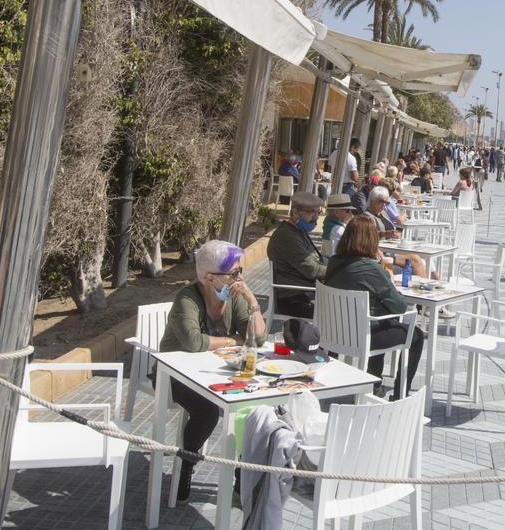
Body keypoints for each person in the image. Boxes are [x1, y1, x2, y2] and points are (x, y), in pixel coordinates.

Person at [159, 240, 266, 501]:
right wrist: (234, 341)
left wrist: (251, 299)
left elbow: (259, 338)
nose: (239, 278)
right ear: (209, 278)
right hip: (175, 376)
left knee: (250, 407)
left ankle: (242, 477)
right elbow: (193, 342)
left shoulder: (235, 296)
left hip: (216, 374)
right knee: (207, 410)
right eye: (233, 273)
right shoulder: (187, 298)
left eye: (240, 272)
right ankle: (186, 464)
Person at [323, 215, 427, 400]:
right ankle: (399, 395)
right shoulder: (373, 270)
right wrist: (387, 277)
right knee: (416, 335)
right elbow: (400, 306)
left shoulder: (334, 262)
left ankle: (375, 383)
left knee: (381, 319)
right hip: (363, 337)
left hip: (334, 333)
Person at [267, 191, 326, 319]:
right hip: (292, 297)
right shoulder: (286, 236)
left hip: (306, 291)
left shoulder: (298, 231)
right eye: (312, 212)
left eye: (318, 212)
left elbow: (317, 260)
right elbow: (312, 270)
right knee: (337, 314)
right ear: (295, 213)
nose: (316, 217)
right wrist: (338, 269)